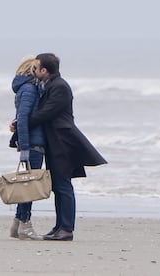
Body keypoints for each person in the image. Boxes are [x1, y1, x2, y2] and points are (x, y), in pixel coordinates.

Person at [30, 53, 107, 241]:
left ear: (44, 70)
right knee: (57, 185)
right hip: (55, 141)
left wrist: (23, 122)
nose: (33, 71)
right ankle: (59, 226)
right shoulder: (48, 85)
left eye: (36, 68)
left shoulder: (60, 87)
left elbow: (47, 113)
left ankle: (66, 229)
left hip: (63, 141)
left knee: (63, 185)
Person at [9, 56, 46, 240]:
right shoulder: (30, 89)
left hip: (29, 144)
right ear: (32, 69)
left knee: (25, 184)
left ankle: (17, 224)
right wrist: (24, 148)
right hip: (32, 145)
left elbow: (20, 116)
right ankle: (26, 225)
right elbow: (23, 118)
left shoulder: (25, 88)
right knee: (29, 186)